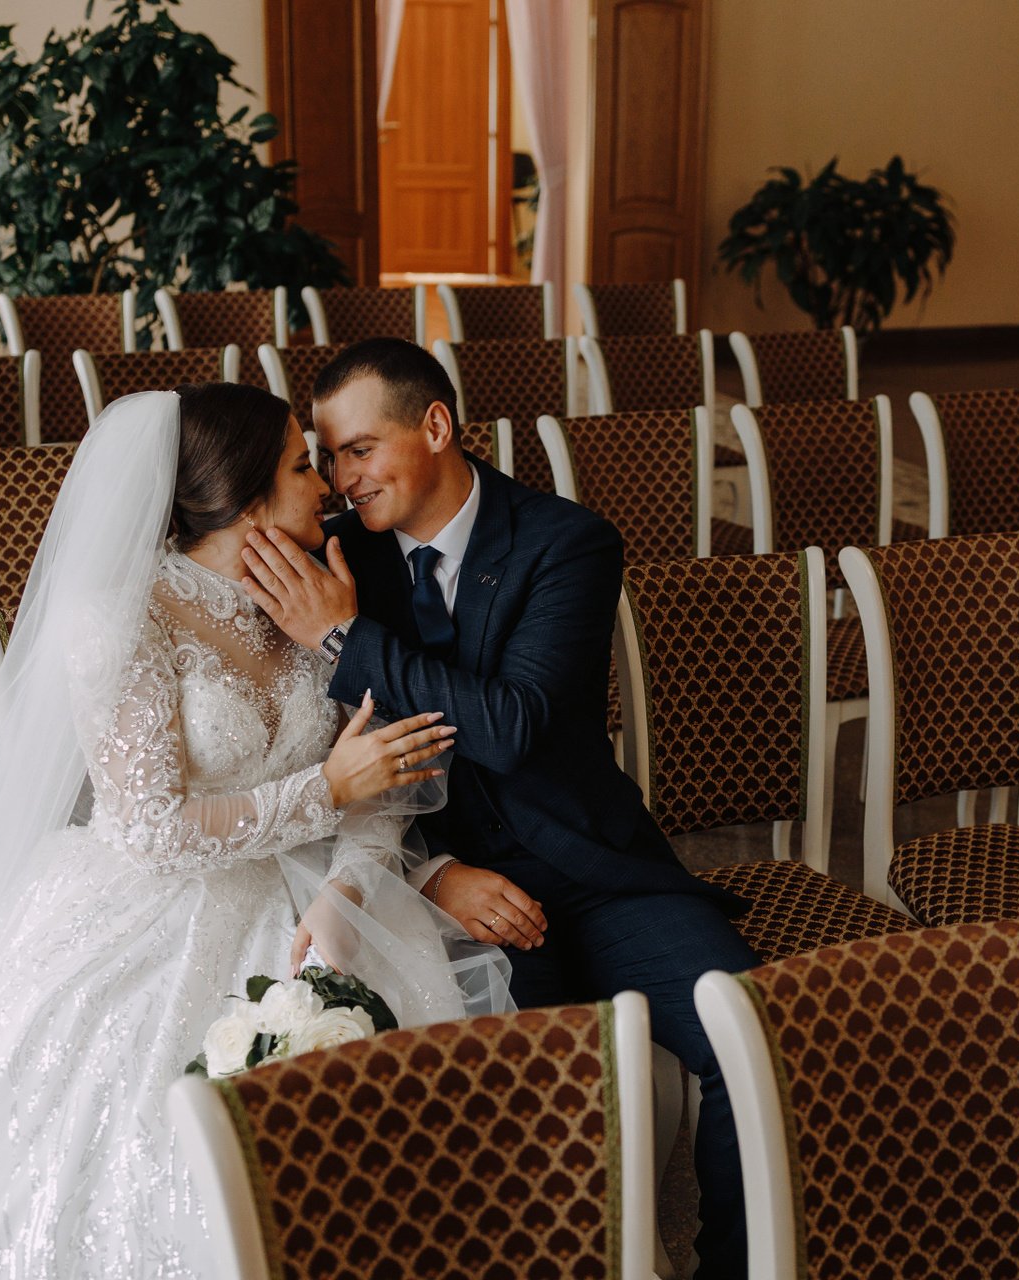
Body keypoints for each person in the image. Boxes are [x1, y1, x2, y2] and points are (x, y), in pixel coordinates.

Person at [0, 384, 518, 1279]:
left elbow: (381, 773)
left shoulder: (313, 595)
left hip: (311, 884)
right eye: (302, 466)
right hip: (157, 899)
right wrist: (324, 789)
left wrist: (349, 886)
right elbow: (151, 830)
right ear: (245, 494)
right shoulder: (123, 614)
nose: (326, 483)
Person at [237, 338, 761, 1279]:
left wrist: (346, 636)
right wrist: (434, 875)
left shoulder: (566, 542)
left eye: (361, 450)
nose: (342, 480)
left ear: (436, 426)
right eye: (328, 457)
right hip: (450, 891)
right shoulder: (338, 554)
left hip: (595, 868)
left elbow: (513, 725)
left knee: (751, 1033)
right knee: (538, 1097)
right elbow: (313, 760)